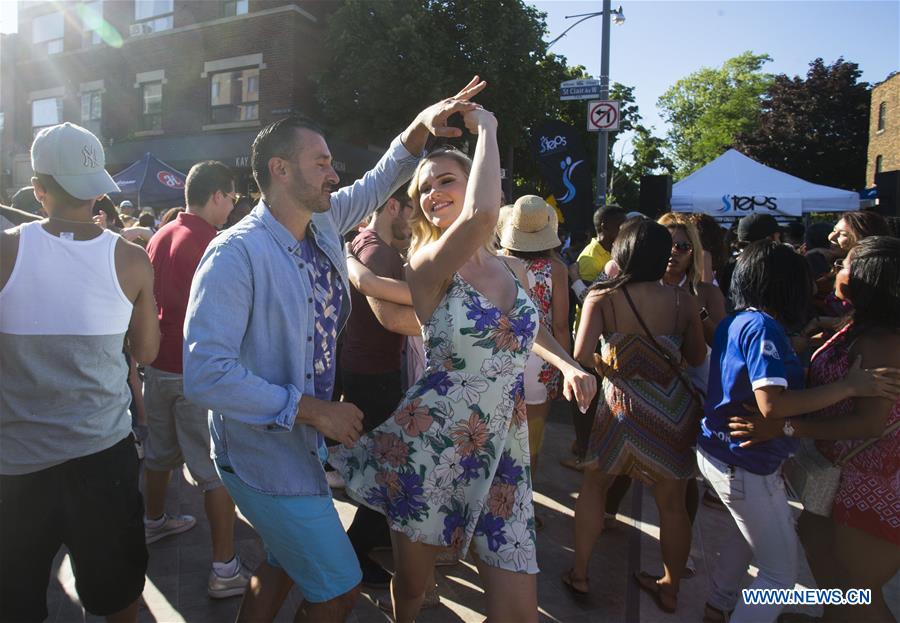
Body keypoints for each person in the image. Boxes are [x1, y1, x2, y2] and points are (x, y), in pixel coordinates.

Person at [182, 78, 488, 623]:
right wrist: (314, 409)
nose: (333, 172)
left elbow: (376, 183)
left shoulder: (320, 223)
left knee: (279, 566)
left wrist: (419, 129)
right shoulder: (235, 253)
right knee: (340, 591)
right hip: (259, 456)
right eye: (320, 162)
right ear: (280, 169)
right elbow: (206, 375)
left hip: (300, 451)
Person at [330, 107, 596, 623]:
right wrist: (491, 129)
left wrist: (567, 366)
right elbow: (480, 218)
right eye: (423, 190)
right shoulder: (425, 267)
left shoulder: (512, 266)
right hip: (433, 446)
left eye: (445, 179)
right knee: (412, 588)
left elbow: (526, 326)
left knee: (519, 607)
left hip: (505, 450)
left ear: (472, 179)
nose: (431, 194)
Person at [0, 122, 159, 623]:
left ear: (40, 189)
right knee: (116, 598)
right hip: (101, 458)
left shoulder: (5, 252)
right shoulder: (133, 259)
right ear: (99, 189)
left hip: (16, 465)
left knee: (15, 599)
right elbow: (147, 352)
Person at [695, 240, 900, 623]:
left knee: (856, 596)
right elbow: (774, 401)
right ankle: (730, 607)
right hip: (805, 475)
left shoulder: (884, 343)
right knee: (806, 580)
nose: (832, 270)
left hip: (865, 491)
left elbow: (870, 423)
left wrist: (786, 427)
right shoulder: (844, 326)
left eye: (844, 263)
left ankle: (728, 606)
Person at [565, 220, 706, 614]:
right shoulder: (683, 303)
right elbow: (696, 357)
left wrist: (610, 359)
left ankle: (579, 572)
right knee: (673, 504)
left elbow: (580, 359)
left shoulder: (602, 298)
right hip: (671, 412)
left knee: (595, 486)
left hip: (620, 408)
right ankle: (670, 587)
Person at [141, 160, 249, 598]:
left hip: (158, 367)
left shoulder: (160, 234)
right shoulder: (215, 243)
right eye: (232, 198)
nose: (232, 207)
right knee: (213, 472)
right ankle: (224, 568)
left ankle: (152, 521)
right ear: (218, 195)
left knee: (158, 454)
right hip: (195, 372)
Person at [340, 186, 419, 587]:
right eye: (411, 209)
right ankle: (356, 549)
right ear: (392, 206)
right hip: (374, 375)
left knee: (380, 463)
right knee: (389, 468)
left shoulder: (365, 244)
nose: (415, 218)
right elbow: (392, 318)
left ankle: (367, 540)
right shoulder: (379, 253)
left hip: (367, 370)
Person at [497, 195, 570, 479]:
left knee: (498, 440)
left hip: (501, 356)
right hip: (540, 362)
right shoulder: (556, 269)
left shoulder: (497, 262)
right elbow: (561, 326)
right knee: (530, 445)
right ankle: (524, 513)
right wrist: (565, 369)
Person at [561, 204, 627, 473]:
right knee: (585, 399)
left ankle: (584, 446)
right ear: (603, 228)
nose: (623, 230)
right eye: (619, 225)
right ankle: (585, 448)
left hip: (602, 339)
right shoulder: (590, 259)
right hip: (590, 339)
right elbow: (586, 301)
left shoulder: (610, 254)